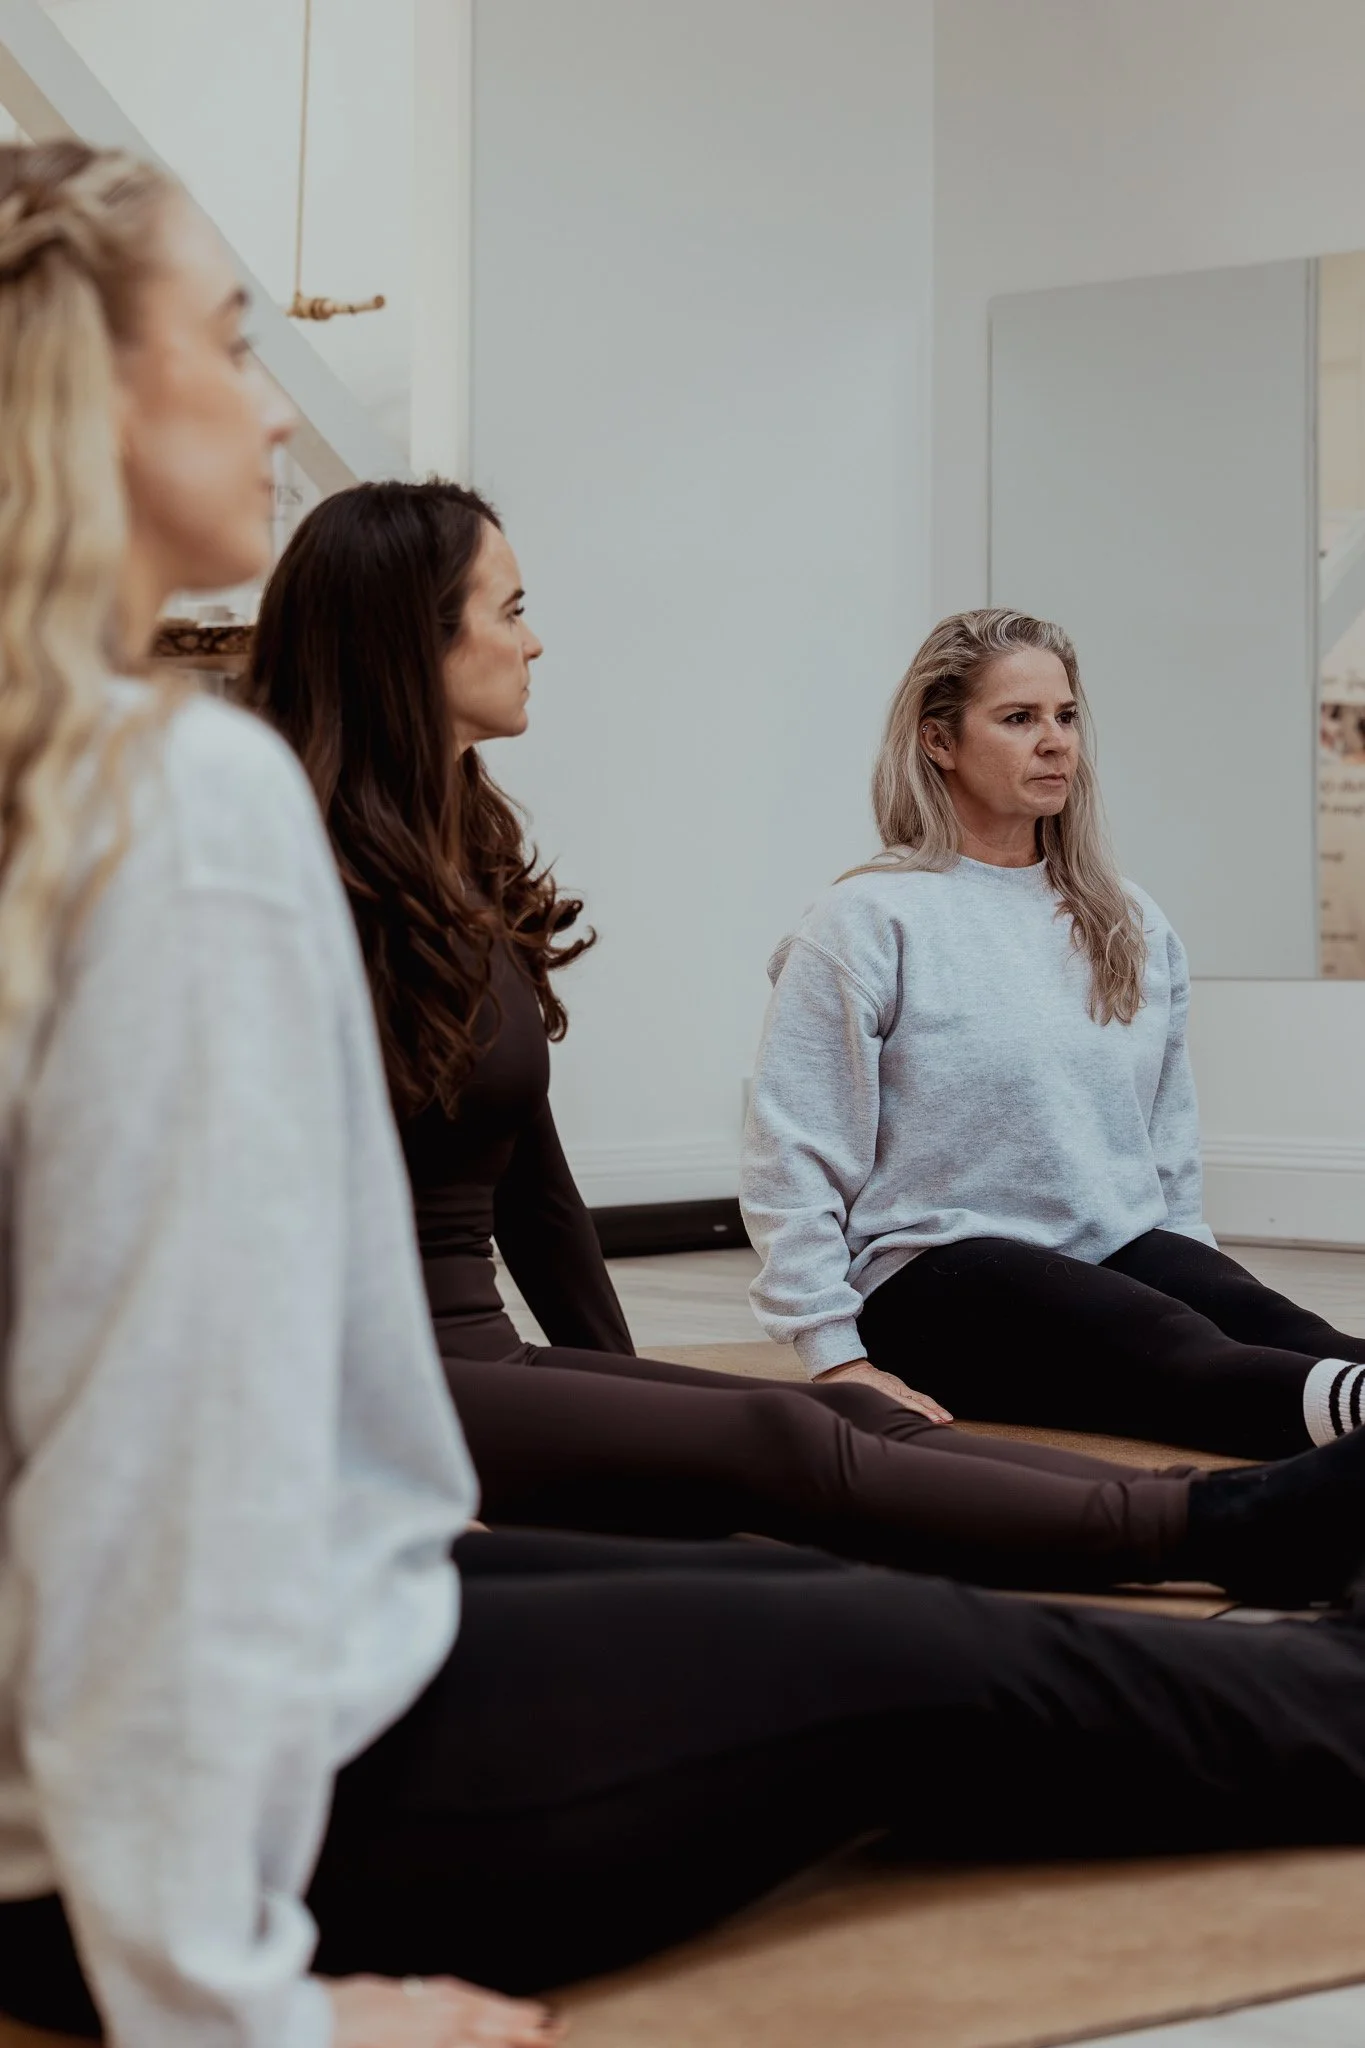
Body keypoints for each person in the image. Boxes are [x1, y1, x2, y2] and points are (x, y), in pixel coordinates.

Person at [13, 138, 1365, 2048]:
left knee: (808, 1558)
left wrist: (560, 1425)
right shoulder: (177, 812)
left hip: (277, 1656)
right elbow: (143, 1414)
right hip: (198, 1781)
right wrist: (240, 2007)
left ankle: (1297, 1598)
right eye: (229, 340)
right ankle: (1300, 1618)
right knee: (886, 1626)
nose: (265, 399)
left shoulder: (136, 788)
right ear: (82, 392)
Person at [241, 481, 1365, 1607]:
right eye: (513, 607)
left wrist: (622, 1400)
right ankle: (1223, 1524)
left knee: (819, 1416)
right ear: (409, 639)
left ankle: (1255, 1500)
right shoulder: (279, 888)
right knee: (799, 1426)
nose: (537, 639)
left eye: (1066, 715)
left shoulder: (457, 872)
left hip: (477, 1349)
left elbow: (537, 1189)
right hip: (391, 1372)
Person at [740, 608, 1365, 1462]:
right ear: (938, 741)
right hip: (936, 1274)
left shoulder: (1125, 917)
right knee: (1178, 1350)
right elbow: (793, 1151)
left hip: (1110, 1249)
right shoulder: (865, 920)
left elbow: (1164, 1145)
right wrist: (831, 1352)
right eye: (1018, 718)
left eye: (1065, 717)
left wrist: (1195, 1269)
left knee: (1277, 1325)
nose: (1055, 743)